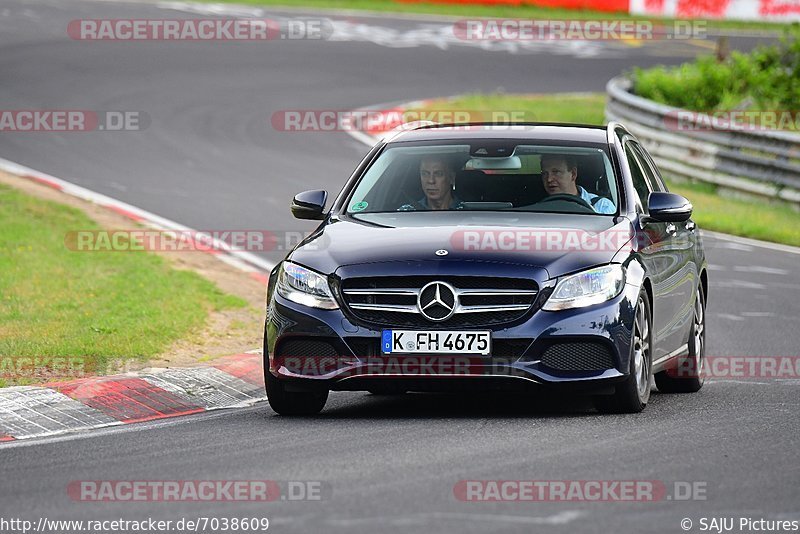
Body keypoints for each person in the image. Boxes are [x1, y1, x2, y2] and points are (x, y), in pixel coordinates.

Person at [540, 154, 615, 214]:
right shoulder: (535, 208)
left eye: (556, 172)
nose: (549, 179)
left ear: (573, 174)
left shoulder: (602, 206)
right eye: (544, 173)